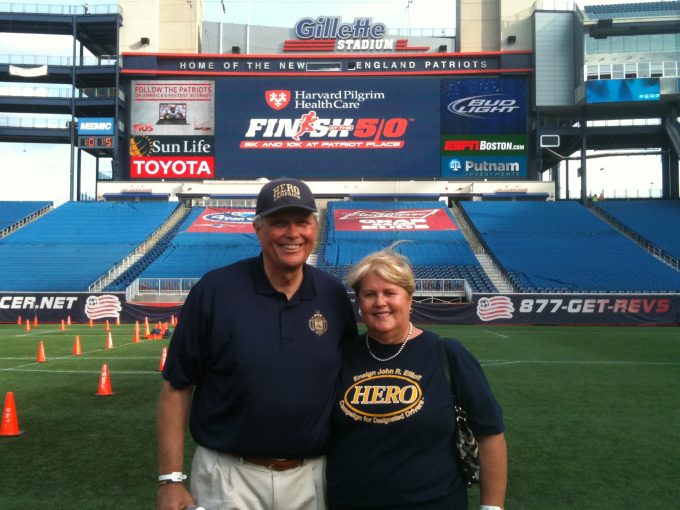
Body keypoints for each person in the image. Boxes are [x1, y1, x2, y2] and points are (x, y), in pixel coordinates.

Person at [157, 177, 358, 510]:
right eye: (279, 222)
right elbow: (177, 386)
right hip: (229, 476)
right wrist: (170, 479)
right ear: (258, 229)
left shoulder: (334, 296)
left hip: (312, 476)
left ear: (315, 227)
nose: (292, 233)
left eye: (302, 222)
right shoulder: (215, 291)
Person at [327, 245, 507, 510]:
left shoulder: (447, 353)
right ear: (359, 303)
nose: (380, 302)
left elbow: (490, 434)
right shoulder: (342, 354)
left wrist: (491, 508)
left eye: (390, 292)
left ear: (409, 299)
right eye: (369, 294)